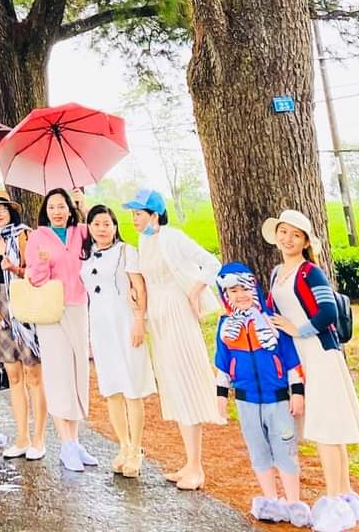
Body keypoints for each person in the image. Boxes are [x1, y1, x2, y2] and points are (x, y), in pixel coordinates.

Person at [265, 208, 359, 532]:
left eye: (296, 235)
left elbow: (327, 312)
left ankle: (336, 500)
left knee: (327, 429)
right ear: (276, 235)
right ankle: (345, 496)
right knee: (326, 427)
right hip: (299, 358)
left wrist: (299, 330)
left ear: (306, 241)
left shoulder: (310, 272)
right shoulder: (277, 273)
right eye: (284, 232)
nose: (288, 239)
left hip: (319, 354)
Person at [125, 187, 221, 490]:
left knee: (186, 382)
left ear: (154, 214)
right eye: (133, 214)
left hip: (178, 313)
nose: (134, 219)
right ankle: (189, 463)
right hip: (159, 318)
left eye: (138, 214)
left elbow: (212, 264)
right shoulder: (144, 242)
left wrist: (194, 292)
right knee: (174, 386)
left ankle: (197, 467)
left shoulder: (173, 237)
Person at [214, 261, 310, 527]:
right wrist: (221, 396)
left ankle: (293, 503)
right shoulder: (225, 326)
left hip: (278, 399)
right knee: (258, 451)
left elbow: (290, 359)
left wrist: (297, 392)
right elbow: (222, 364)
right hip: (245, 400)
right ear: (225, 295)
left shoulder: (272, 322)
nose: (240, 295)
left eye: (244, 289)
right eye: (233, 291)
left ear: (254, 288)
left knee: (285, 450)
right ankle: (270, 501)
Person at [79, 205, 155, 478]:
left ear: (114, 226)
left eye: (106, 224)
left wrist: (139, 321)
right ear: (89, 228)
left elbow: (139, 288)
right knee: (112, 388)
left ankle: (136, 449)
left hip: (125, 322)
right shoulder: (85, 255)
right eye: (96, 224)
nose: (102, 229)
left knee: (132, 388)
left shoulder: (126, 252)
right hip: (100, 326)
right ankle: (123, 445)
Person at [25, 188, 95, 471]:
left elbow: (100, 245)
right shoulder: (38, 237)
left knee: (78, 372)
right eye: (52, 206)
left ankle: (75, 441)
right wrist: (43, 262)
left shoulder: (82, 231)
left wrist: (84, 206)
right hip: (51, 311)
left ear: (69, 208)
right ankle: (65, 443)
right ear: (45, 211)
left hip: (79, 307)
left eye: (62, 206)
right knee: (58, 374)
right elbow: (33, 278)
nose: (57, 211)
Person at [0, 191, 46, 462]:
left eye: (1, 209)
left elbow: (37, 273)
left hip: (25, 307)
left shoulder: (25, 236)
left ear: (11, 211)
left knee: (34, 376)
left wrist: (16, 269)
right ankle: (22, 437)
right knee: (14, 376)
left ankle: (39, 439)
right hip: (1, 311)